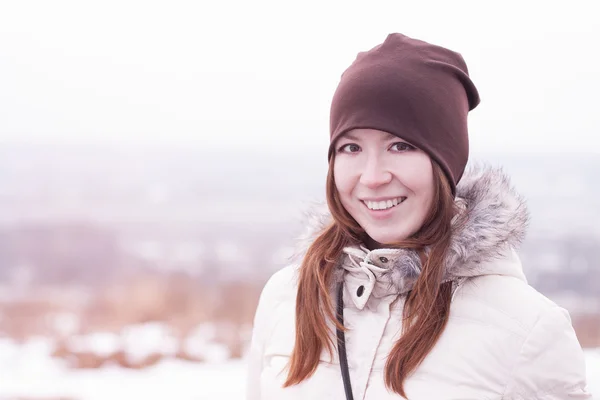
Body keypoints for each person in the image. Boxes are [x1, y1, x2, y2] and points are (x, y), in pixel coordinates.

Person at [246, 33, 592, 400]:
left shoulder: (528, 330)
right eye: (351, 147)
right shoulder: (288, 298)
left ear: (445, 164)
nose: (373, 176)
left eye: (401, 145)